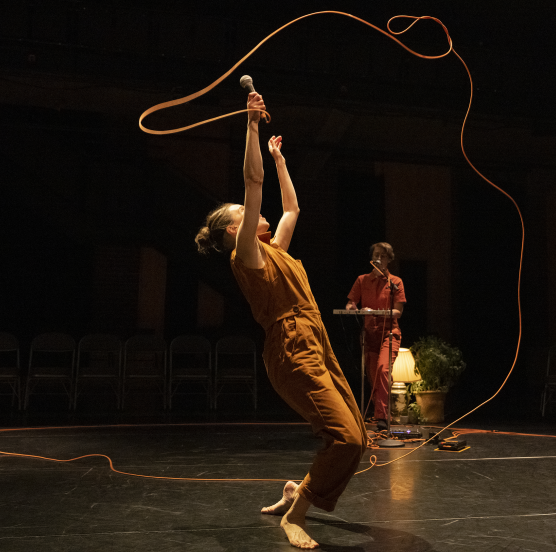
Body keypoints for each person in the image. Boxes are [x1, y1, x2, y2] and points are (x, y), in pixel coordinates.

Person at [194, 91, 367, 550]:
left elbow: (291, 209)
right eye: (242, 213)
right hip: (291, 348)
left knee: (359, 438)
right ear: (236, 229)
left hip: (317, 340)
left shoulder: (276, 251)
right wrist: (251, 126)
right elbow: (253, 184)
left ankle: (298, 488)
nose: (252, 210)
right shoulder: (246, 254)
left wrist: (279, 158)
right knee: (345, 439)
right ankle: (297, 515)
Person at [345, 242, 406, 431]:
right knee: (373, 377)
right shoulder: (362, 280)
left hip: (389, 335)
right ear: (372, 258)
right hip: (369, 335)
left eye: (384, 255)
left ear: (389, 259)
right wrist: (353, 308)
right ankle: (379, 413)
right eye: (377, 254)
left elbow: (398, 312)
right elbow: (350, 303)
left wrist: (376, 312)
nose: (379, 258)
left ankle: (382, 417)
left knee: (383, 370)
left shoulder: (395, 282)